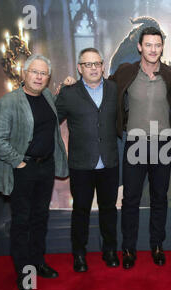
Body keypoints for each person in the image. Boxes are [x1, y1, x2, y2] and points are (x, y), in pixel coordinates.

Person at [0, 55, 68, 290]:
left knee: (40, 218)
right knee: (22, 221)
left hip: (45, 167)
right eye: (35, 72)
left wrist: (68, 86)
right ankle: (24, 272)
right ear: (25, 73)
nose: (39, 77)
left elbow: (53, 123)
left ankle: (38, 262)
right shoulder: (9, 102)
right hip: (23, 169)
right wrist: (19, 162)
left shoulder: (48, 98)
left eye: (43, 73)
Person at [110, 27, 171, 269]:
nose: (153, 49)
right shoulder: (125, 72)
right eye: (148, 45)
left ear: (162, 47)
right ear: (140, 47)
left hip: (163, 144)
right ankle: (128, 249)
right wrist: (71, 83)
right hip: (135, 143)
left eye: (157, 45)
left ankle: (157, 246)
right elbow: (101, 88)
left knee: (160, 198)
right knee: (130, 199)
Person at [55, 48, 119, 273]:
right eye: (88, 64)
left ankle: (110, 250)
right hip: (81, 164)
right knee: (80, 210)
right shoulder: (69, 93)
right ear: (80, 68)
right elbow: (51, 118)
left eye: (97, 63)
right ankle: (79, 255)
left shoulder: (114, 89)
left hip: (109, 162)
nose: (93, 68)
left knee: (109, 209)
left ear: (103, 66)